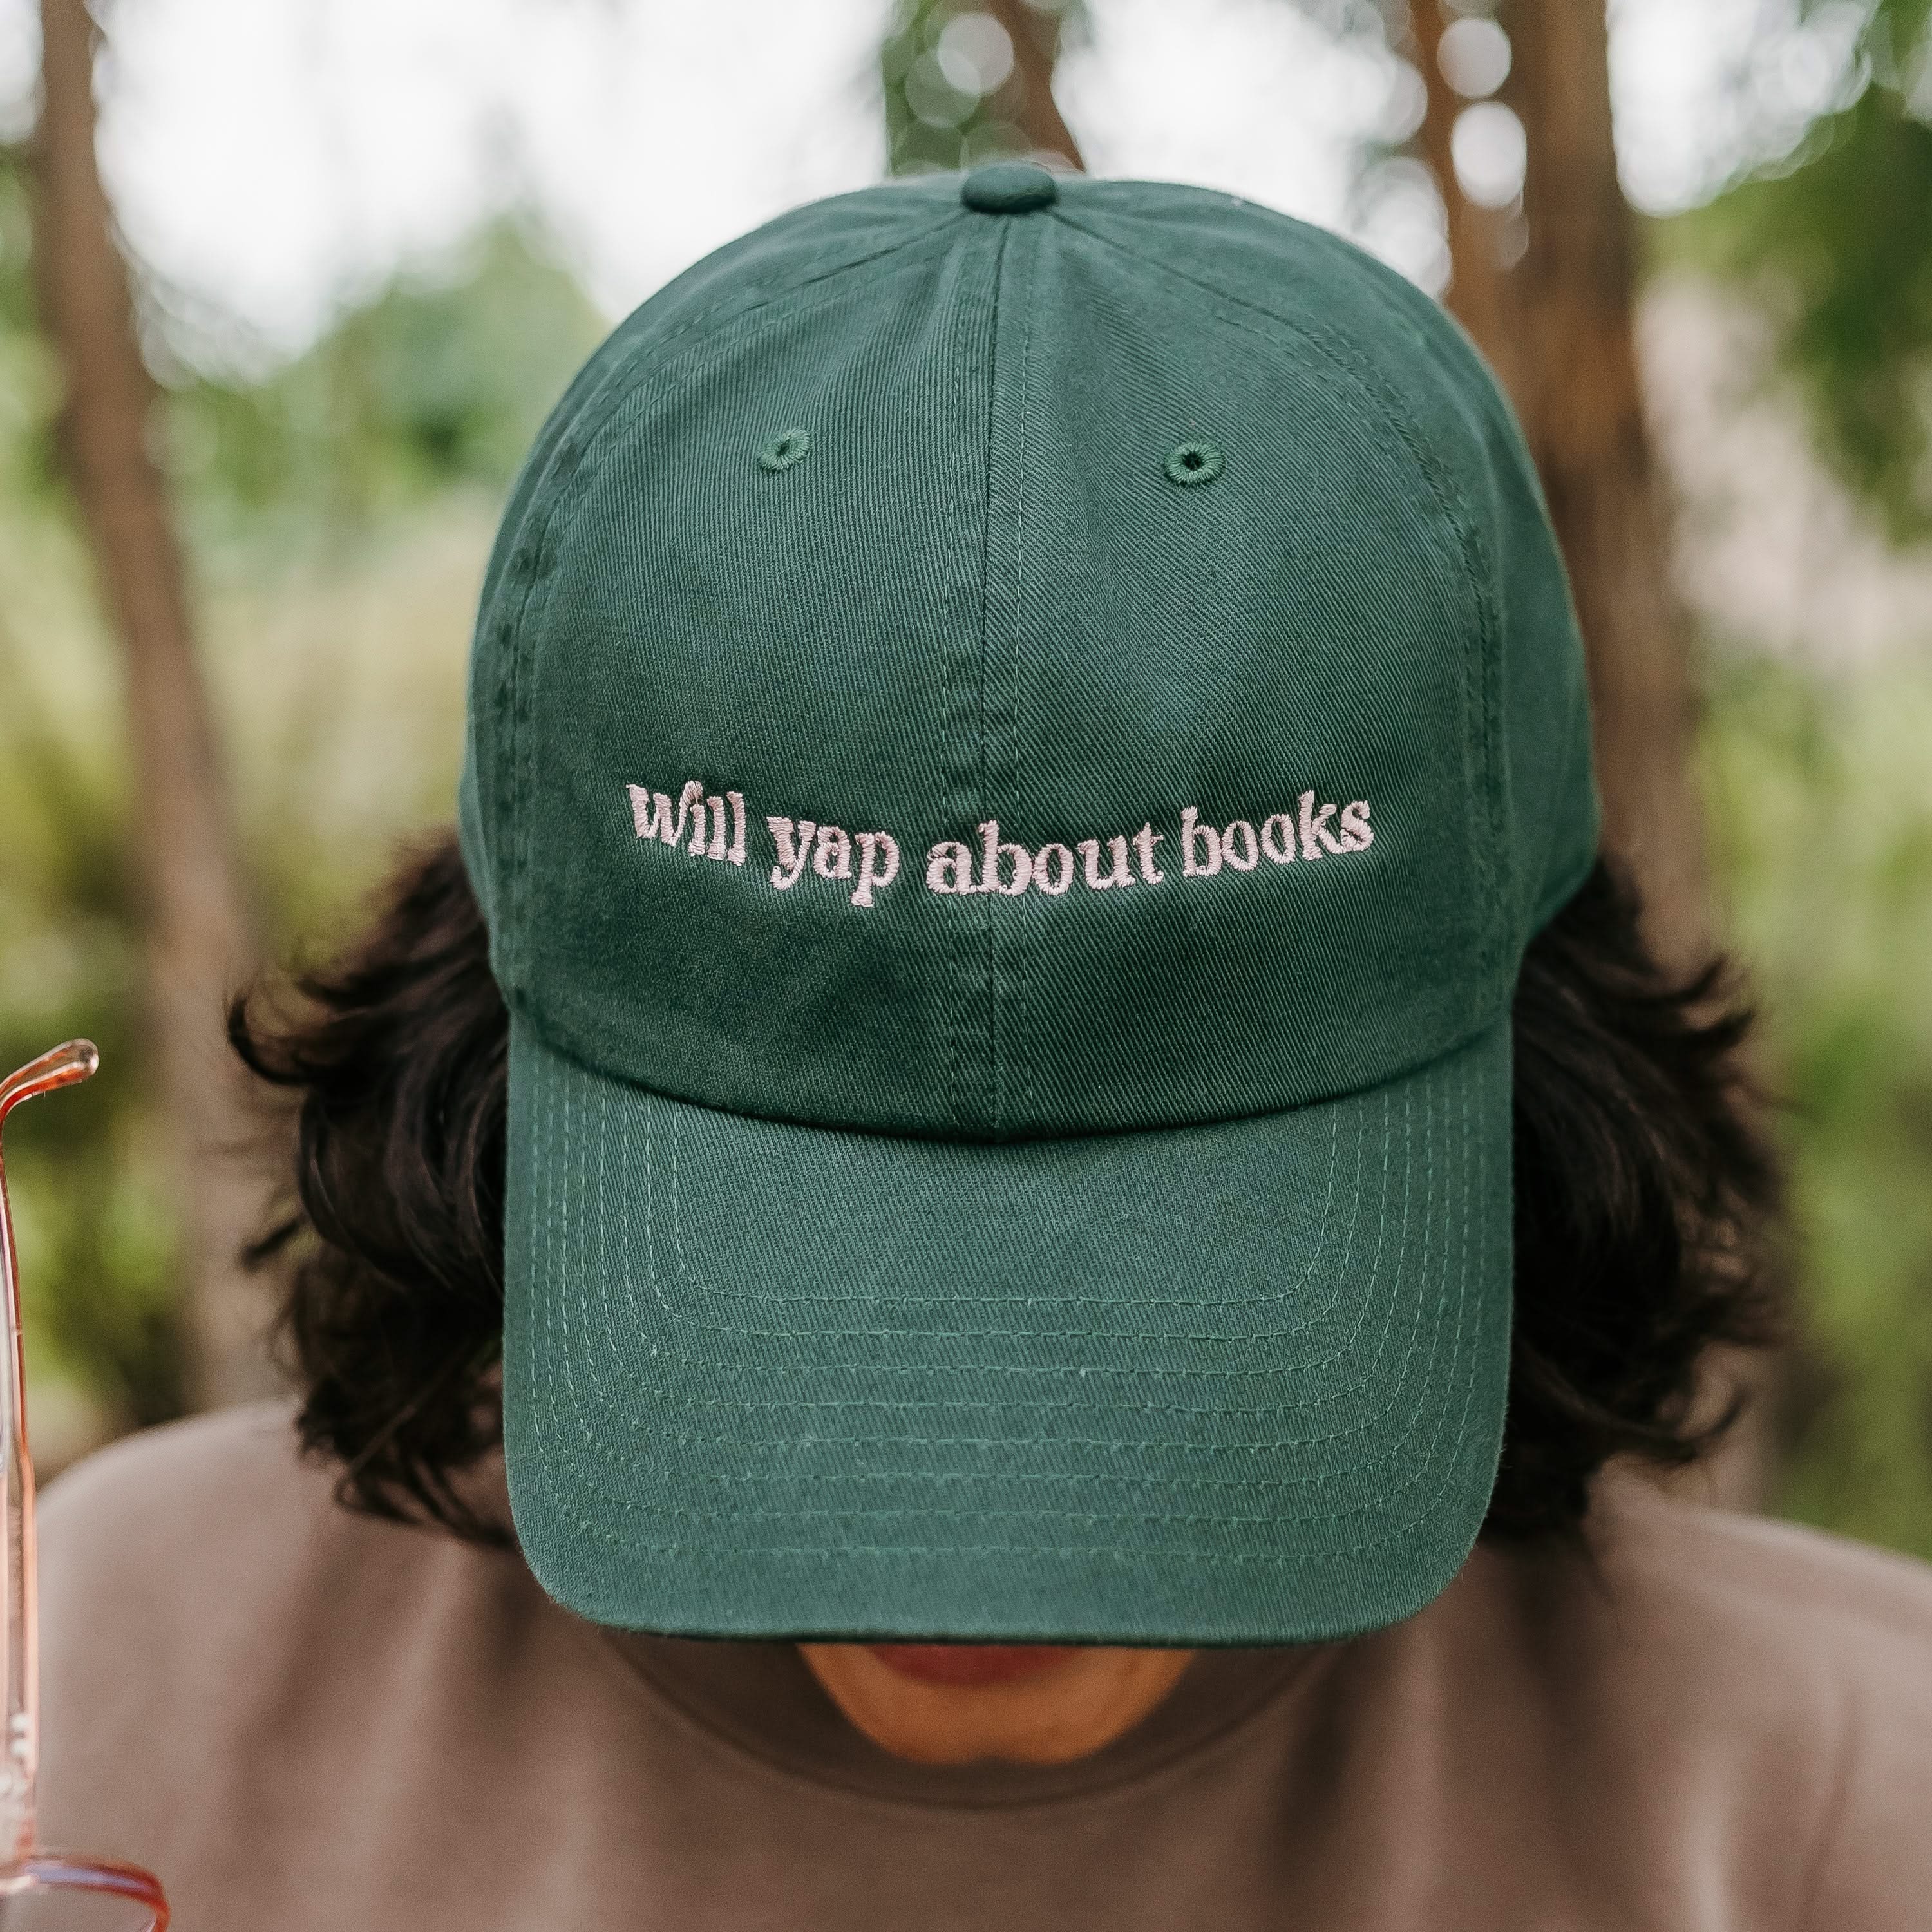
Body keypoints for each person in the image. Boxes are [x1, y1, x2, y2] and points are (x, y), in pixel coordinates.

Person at [37, 162, 1932, 1929]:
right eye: (806, 1261)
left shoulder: (1848, 1799)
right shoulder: (103, 1690)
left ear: (1544, 1076)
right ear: (481, 1059)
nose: (974, 1545)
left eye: (1172, 1290)